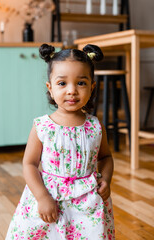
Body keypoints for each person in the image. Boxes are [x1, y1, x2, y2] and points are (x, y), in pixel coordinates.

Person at [6, 43, 115, 240]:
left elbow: (106, 157)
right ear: (50, 87)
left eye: (81, 83)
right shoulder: (42, 126)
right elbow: (29, 164)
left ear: (92, 87)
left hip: (87, 203)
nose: (72, 90)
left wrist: (106, 179)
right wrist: (42, 197)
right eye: (62, 83)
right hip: (49, 198)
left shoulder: (95, 126)